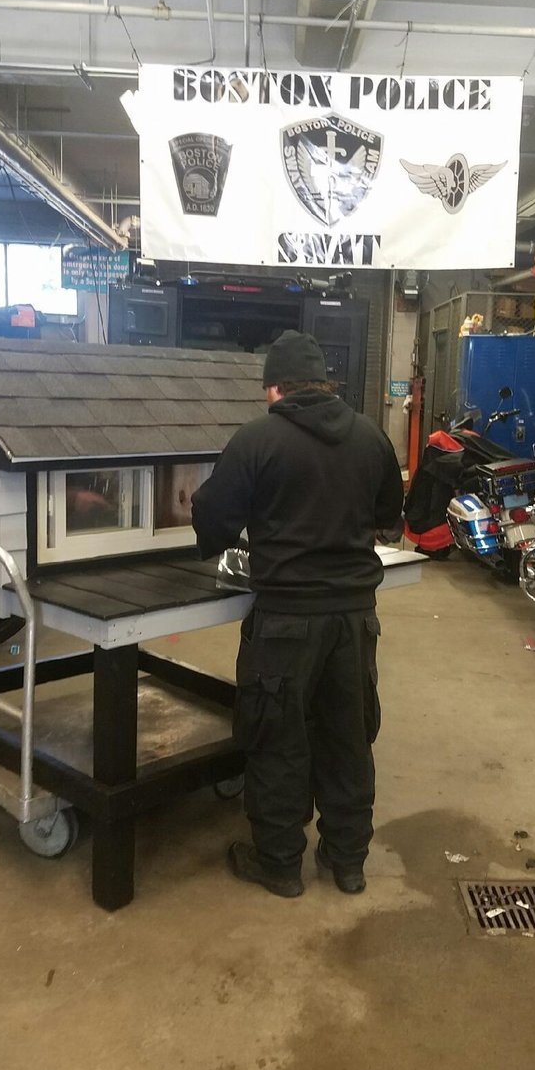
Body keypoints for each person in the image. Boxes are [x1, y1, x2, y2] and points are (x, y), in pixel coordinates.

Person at [192, 330, 404, 899]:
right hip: (355, 620)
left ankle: (281, 863)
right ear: (326, 384)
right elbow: (389, 516)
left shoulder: (257, 440)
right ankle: (348, 861)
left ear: (274, 389)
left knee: (277, 740)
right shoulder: (370, 436)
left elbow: (212, 521)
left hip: (285, 621)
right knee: (348, 737)